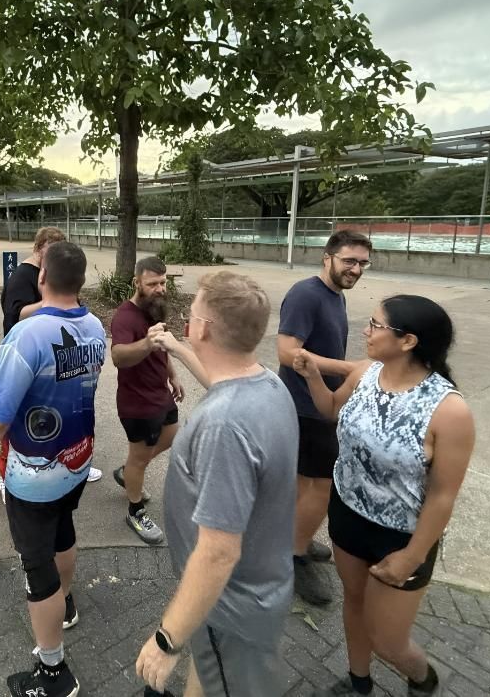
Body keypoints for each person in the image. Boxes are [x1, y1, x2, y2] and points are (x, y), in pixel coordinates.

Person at [292, 296, 475, 697]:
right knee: (354, 603)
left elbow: (443, 497)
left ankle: (422, 679)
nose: (365, 331)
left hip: (402, 537)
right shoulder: (365, 373)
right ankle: (359, 682)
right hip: (348, 514)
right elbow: (331, 411)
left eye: (375, 325)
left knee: (389, 641)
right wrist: (312, 377)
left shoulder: (448, 411)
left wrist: (412, 556)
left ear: (408, 341)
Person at [135, 271, 297, 697]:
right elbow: (221, 383)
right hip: (255, 589)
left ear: (203, 327)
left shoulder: (224, 428)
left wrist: (167, 639)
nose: (187, 322)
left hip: (230, 605)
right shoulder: (267, 385)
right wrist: (177, 348)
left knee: (222, 680)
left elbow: (219, 552)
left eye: (190, 316)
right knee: (210, 677)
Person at [0, 241, 104, 697]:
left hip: (33, 474)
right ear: (80, 282)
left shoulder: (28, 335)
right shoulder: (95, 325)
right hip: (76, 459)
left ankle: (53, 672)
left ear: (42, 279)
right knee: (62, 533)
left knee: (36, 565)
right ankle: (67, 602)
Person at [277, 229, 373, 606]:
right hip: (306, 407)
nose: (356, 269)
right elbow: (287, 352)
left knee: (308, 485)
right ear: (327, 257)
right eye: (349, 260)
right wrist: (351, 368)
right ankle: (293, 556)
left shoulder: (334, 296)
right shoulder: (306, 294)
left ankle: (294, 539)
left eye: (363, 263)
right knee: (321, 487)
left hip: (323, 402)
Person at [0, 226, 101, 488]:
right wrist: (52, 302)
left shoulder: (55, 274)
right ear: (39, 247)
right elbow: (15, 313)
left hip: (52, 347)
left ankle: (68, 462)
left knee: (64, 409)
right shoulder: (23, 276)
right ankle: (8, 473)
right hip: (28, 350)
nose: (55, 254)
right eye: (50, 249)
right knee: (25, 415)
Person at [110, 256, 183, 545]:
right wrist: (146, 343)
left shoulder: (155, 309)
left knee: (172, 433)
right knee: (139, 457)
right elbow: (118, 356)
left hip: (159, 395)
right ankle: (135, 510)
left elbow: (161, 347)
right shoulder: (125, 317)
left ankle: (128, 472)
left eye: (163, 282)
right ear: (137, 282)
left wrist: (173, 375)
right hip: (137, 403)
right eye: (152, 283)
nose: (159, 288)